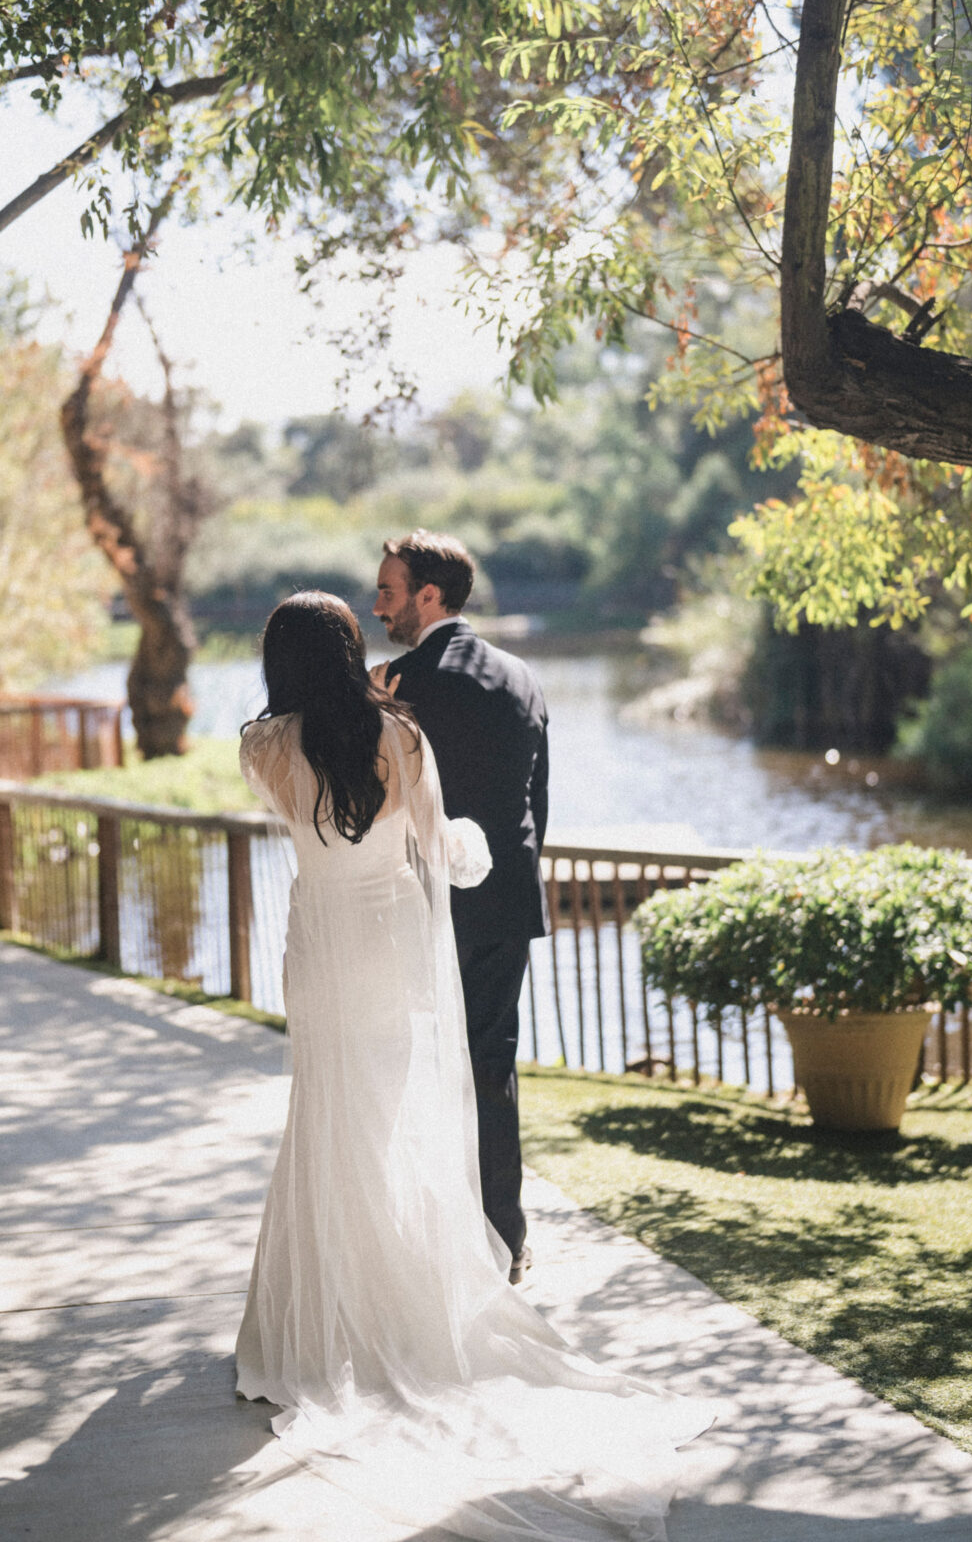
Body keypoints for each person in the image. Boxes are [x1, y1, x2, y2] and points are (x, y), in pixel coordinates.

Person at [235, 590, 714, 1542]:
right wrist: (471, 839)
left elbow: (297, 818)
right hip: (389, 941)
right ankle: (404, 1307)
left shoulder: (262, 747)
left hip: (320, 945)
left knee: (329, 1113)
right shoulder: (402, 735)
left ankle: (319, 1324)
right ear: (350, 649)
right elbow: (440, 853)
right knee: (390, 1113)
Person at [373, 530, 547, 1282]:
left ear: (429, 596)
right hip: (508, 895)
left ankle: (426, 1244)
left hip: (426, 902)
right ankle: (503, 1237)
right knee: (492, 1064)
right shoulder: (522, 677)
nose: (376, 605)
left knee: (412, 1065)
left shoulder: (397, 683)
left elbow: (377, 806)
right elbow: (539, 802)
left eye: (387, 591)